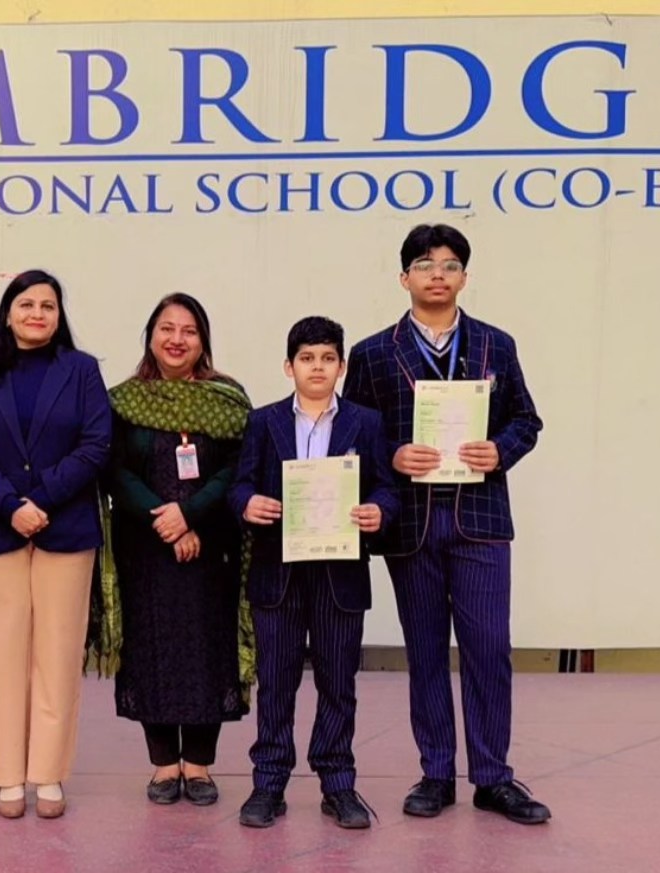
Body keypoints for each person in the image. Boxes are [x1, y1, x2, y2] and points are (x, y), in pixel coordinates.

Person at [341, 222, 550, 825]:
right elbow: (354, 432)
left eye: (450, 264)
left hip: (480, 521)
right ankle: (436, 773)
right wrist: (392, 456)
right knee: (427, 652)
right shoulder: (373, 353)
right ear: (403, 277)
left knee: (488, 650)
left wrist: (500, 449)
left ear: (464, 277)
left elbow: (527, 420)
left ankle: (493, 777)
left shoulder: (495, 345)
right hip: (411, 524)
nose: (438, 274)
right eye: (426, 265)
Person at [228, 315, 399, 829]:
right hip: (277, 574)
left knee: (338, 683)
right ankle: (269, 783)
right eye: (307, 358)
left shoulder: (366, 423)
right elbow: (239, 485)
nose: (317, 367)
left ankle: (338, 783)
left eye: (327, 358)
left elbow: (386, 487)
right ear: (289, 367)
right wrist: (247, 504)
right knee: (276, 683)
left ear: (341, 366)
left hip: (339, 575)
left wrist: (379, 510)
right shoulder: (264, 422)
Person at [0, 269, 111, 819]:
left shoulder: (82, 370)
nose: (37, 314)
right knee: (1, 656)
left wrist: (41, 499)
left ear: (59, 315)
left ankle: (48, 774)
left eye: (48, 305)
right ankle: (7, 775)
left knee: (57, 655)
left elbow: (96, 444)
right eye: (26, 304)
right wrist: (10, 505)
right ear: (8, 313)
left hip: (65, 529)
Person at [94, 293, 253, 807]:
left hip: (212, 547)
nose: (177, 339)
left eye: (189, 330)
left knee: (207, 650)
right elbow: (115, 470)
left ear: (203, 341)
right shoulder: (123, 401)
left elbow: (236, 468)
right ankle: (164, 764)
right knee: (152, 650)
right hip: (144, 548)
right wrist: (165, 520)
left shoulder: (227, 398)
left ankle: (199, 765)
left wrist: (192, 515)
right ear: (151, 336)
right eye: (167, 328)